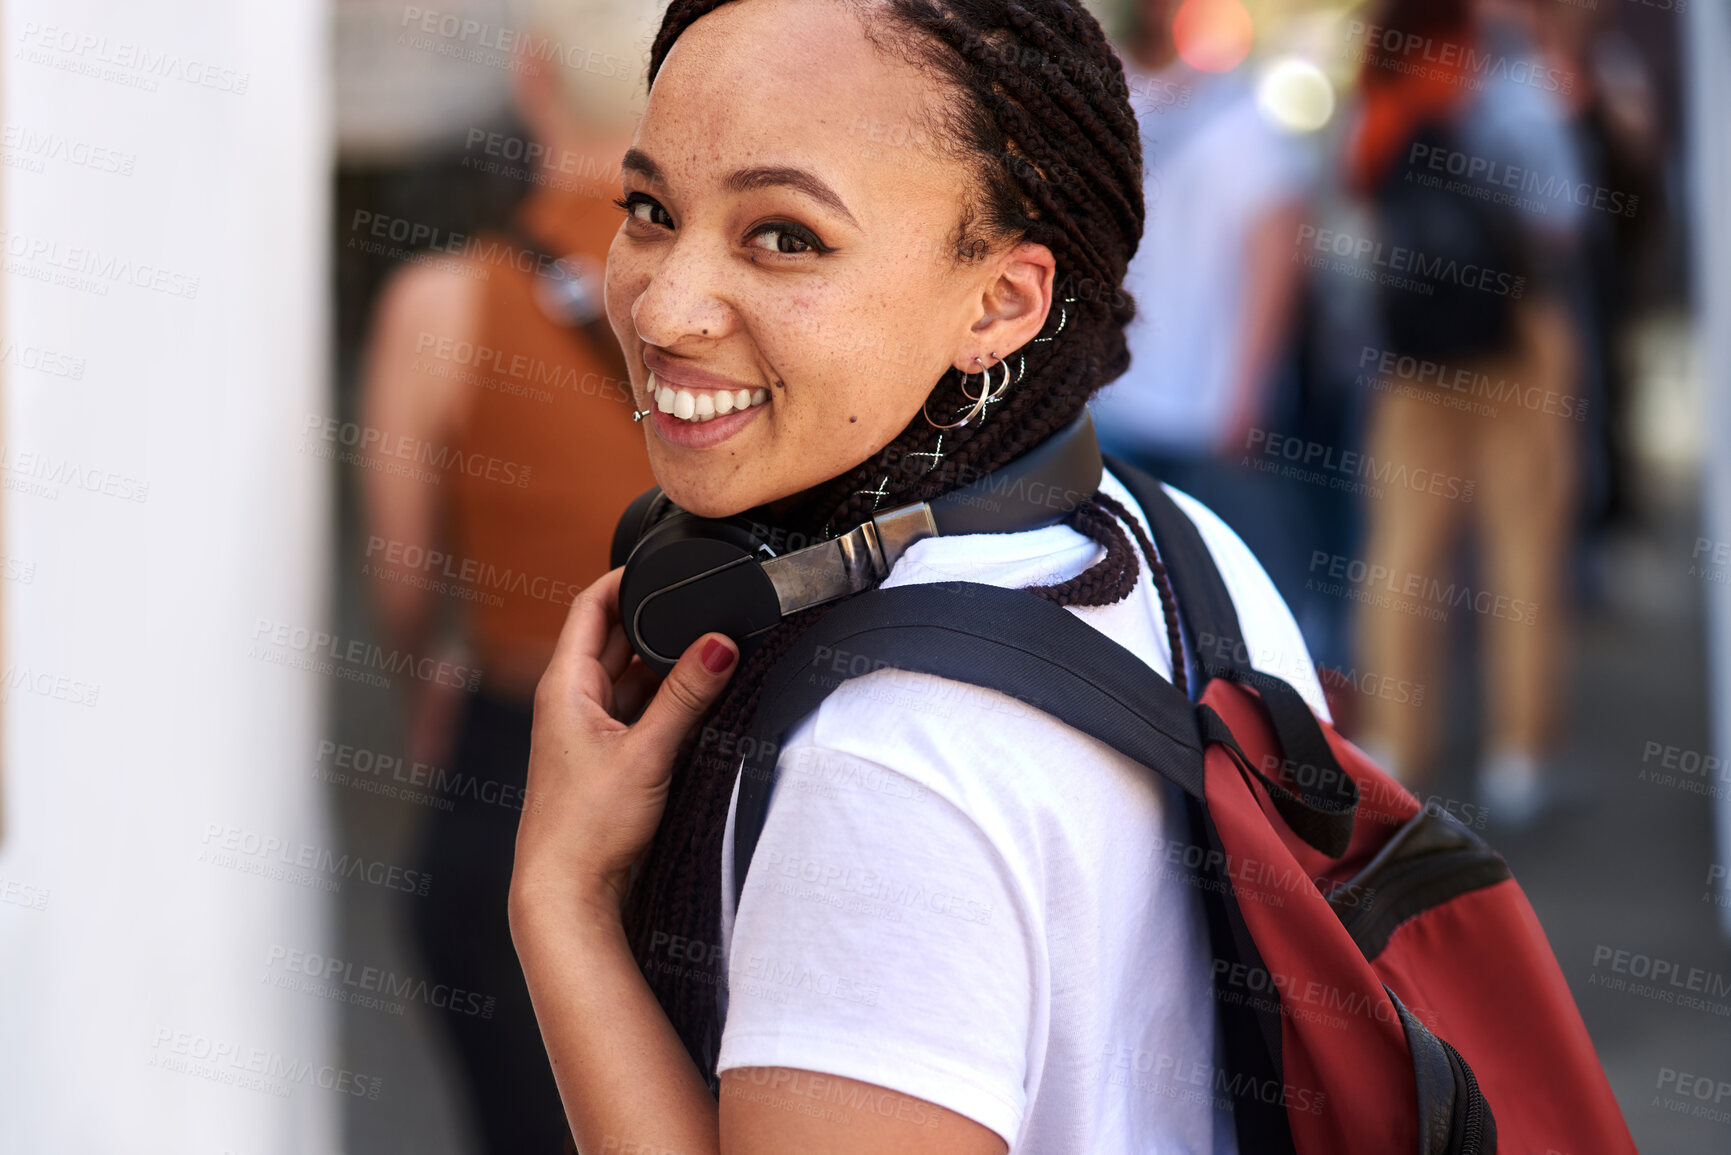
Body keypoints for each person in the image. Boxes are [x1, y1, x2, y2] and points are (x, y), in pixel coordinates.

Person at [509, 1, 1329, 1151]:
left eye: (784, 236)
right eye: (650, 210)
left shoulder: (885, 764)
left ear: (1001, 300)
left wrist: (563, 903)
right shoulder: (1188, 545)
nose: (661, 304)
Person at [356, 3, 660, 1149]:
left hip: (515, 764)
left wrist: (433, 696)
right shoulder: (726, 308)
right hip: (710, 764)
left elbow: (401, 580)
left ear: (532, 77)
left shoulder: (439, 303)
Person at [1345, 0, 1586, 822]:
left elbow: (1355, 218)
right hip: (1515, 342)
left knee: (1401, 553)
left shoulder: (1378, 90)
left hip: (1410, 352)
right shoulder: (1512, 84)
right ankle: (1517, 759)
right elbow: (1562, 218)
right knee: (1521, 556)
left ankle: (1393, 746)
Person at [1089, 0, 1318, 609]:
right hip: (1115, 396)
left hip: (1212, 406)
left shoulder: (1236, 110)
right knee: (1135, 588)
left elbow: (1280, 245)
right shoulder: (1105, 97)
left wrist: (1250, 383)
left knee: (1236, 583)